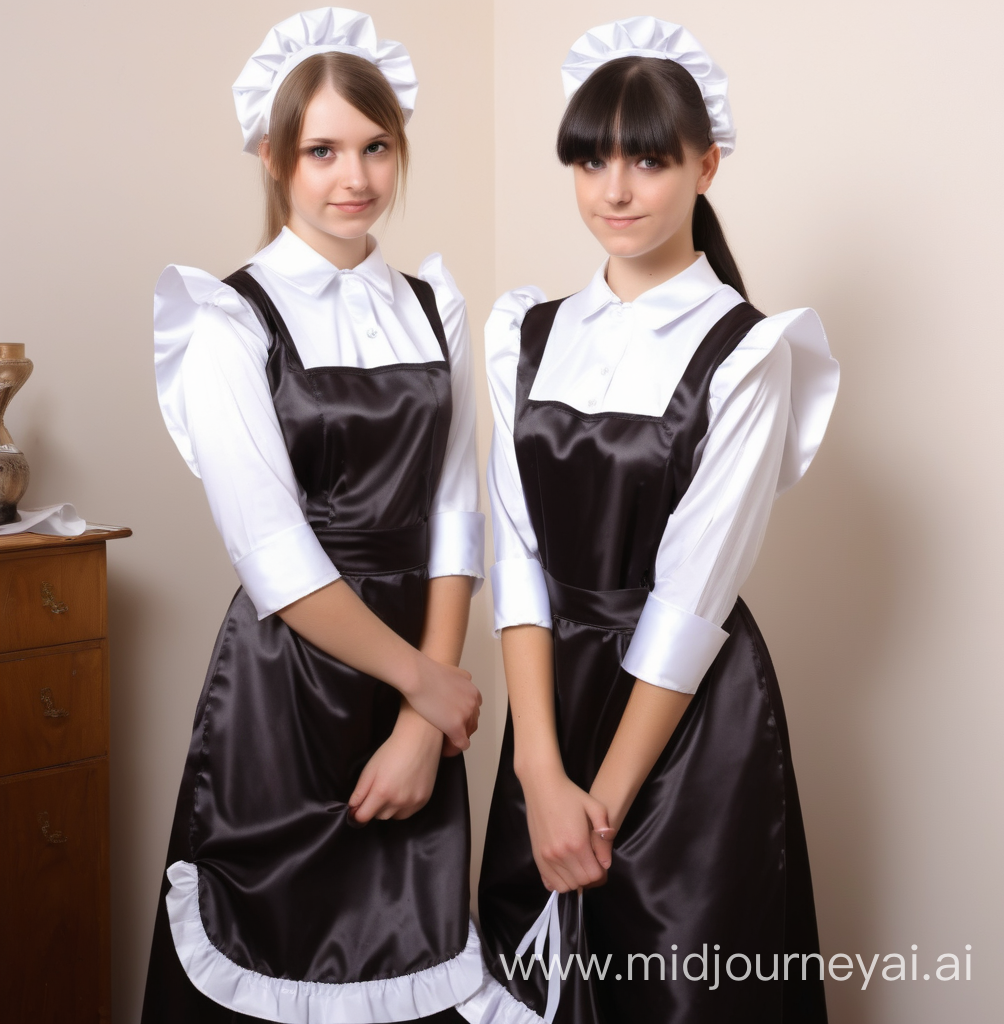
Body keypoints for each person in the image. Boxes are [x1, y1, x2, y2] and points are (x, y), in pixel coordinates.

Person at [461, 17, 839, 1024]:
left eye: (647, 159)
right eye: (589, 159)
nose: (613, 189)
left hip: (686, 729)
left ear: (706, 164)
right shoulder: (525, 334)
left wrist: (601, 800)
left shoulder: (750, 354)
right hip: (548, 711)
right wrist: (539, 772)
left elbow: (688, 600)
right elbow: (521, 559)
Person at [142, 9, 485, 1022]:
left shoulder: (434, 305)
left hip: (416, 681)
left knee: (413, 969)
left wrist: (423, 723)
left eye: (377, 146)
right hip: (288, 689)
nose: (356, 176)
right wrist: (429, 685)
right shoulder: (224, 318)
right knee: (272, 964)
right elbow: (272, 548)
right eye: (322, 149)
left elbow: (456, 509)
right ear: (271, 155)